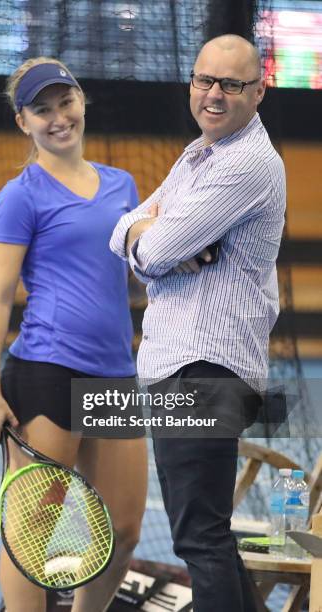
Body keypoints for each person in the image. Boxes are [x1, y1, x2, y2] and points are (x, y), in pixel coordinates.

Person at [110, 35, 286, 612]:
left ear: (258, 92)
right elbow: (129, 230)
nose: (214, 94)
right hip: (180, 369)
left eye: (231, 85)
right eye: (204, 80)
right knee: (208, 535)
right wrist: (144, 235)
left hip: (203, 371)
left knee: (200, 539)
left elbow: (156, 252)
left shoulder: (245, 162)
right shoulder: (197, 155)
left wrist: (151, 241)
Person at [0, 57, 149, 612]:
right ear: (23, 121)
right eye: (41, 110)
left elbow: (144, 263)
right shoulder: (19, 197)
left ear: (81, 103)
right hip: (47, 373)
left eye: (64, 103)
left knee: (122, 531)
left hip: (115, 375)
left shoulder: (123, 185)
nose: (58, 118)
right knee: (35, 538)